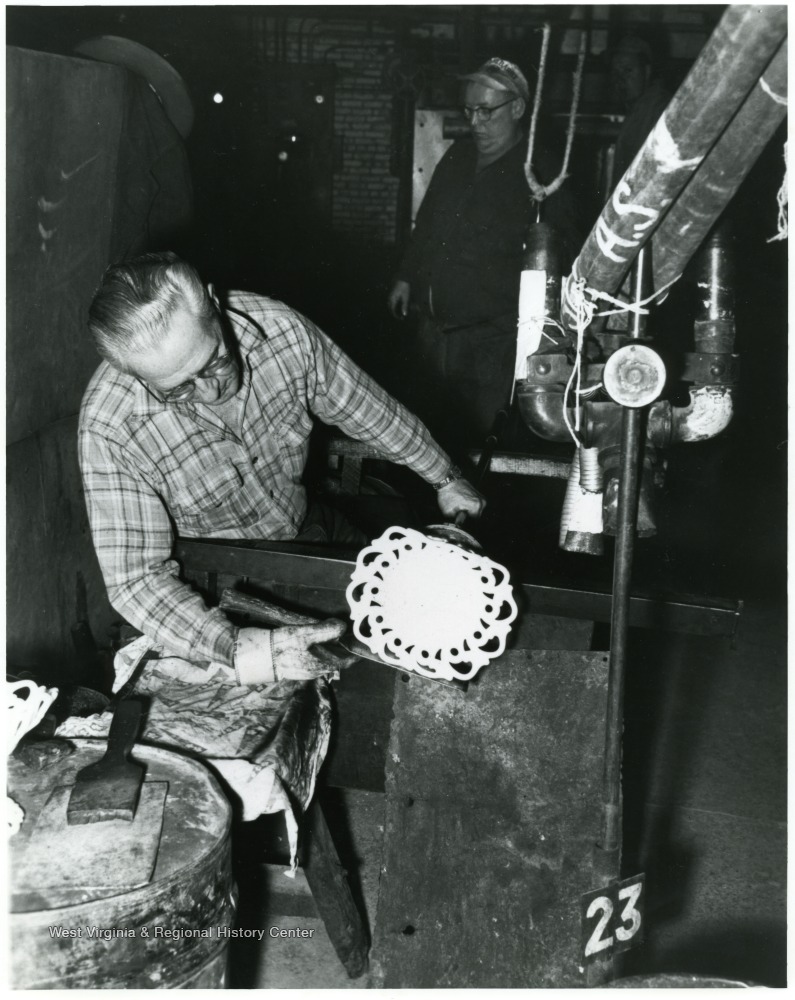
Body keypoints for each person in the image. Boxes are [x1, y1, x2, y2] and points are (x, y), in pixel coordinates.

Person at [79, 251, 484, 687]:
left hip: (303, 524)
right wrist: (241, 648)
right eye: (177, 390)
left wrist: (444, 475)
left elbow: (363, 406)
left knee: (401, 620)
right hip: (213, 581)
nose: (211, 390)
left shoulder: (281, 332)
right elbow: (135, 580)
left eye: (214, 361)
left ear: (215, 305)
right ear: (133, 375)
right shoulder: (112, 426)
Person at [387, 56, 579, 452]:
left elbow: (565, 256)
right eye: (470, 111)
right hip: (436, 334)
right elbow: (426, 225)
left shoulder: (541, 172)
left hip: (495, 345)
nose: (475, 123)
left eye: (486, 111)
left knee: (483, 446)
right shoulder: (457, 157)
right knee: (429, 441)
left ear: (518, 108)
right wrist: (406, 276)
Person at [610, 35, 671, 183]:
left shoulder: (660, 108)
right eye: (616, 72)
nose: (620, 80)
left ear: (647, 71)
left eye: (628, 70)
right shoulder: (638, 109)